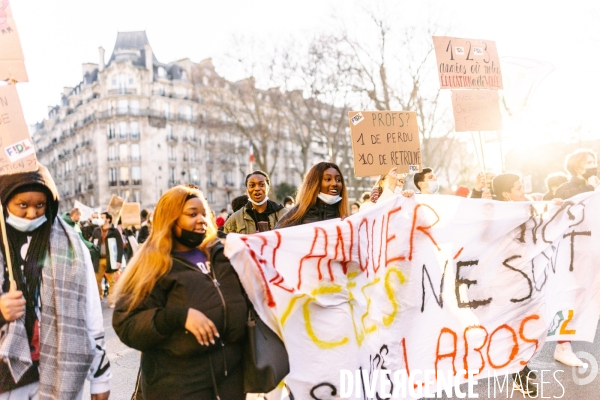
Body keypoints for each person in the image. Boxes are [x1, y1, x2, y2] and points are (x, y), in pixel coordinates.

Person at [112, 185, 247, 400]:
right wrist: (178, 317)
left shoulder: (222, 255)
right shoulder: (155, 264)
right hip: (179, 386)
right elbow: (126, 323)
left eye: (204, 213)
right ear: (171, 218)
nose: (202, 219)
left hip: (229, 382)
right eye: (192, 214)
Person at [0, 164, 110, 399]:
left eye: (40, 205)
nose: (32, 213)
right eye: (23, 205)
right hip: (6, 382)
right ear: (4, 201)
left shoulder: (73, 245)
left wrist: (100, 378)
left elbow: (90, 311)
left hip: (59, 376)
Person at [551, 149, 598, 368]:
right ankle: (563, 346)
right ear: (578, 166)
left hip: (593, 247)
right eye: (589, 162)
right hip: (575, 252)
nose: (593, 165)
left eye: (594, 161)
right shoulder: (567, 188)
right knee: (574, 296)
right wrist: (591, 188)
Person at [276, 162, 349, 228]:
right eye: (328, 179)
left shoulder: (345, 218)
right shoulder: (295, 215)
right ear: (314, 184)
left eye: (338, 180)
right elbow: (275, 238)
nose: (335, 184)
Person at [92, 212, 124, 308]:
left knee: (112, 281)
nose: (101, 219)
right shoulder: (96, 230)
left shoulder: (114, 231)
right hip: (99, 259)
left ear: (108, 220)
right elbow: (93, 245)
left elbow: (120, 245)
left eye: (103, 217)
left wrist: (118, 260)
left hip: (111, 259)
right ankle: (99, 297)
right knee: (97, 281)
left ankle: (112, 301)